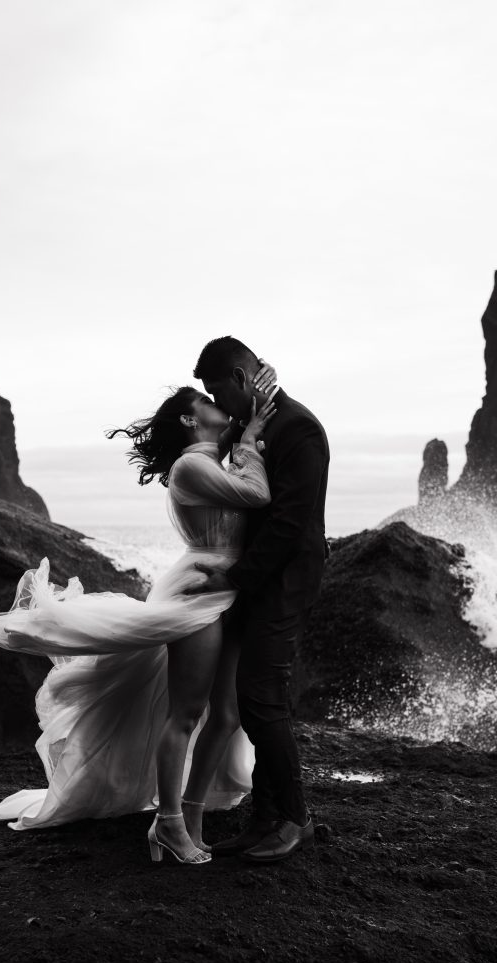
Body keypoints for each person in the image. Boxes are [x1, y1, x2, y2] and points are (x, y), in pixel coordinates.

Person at [0, 363, 277, 866]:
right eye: (206, 402)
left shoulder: (213, 457)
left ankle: (188, 815)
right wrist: (251, 441)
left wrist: (252, 411)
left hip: (227, 589)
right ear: (191, 423)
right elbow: (257, 494)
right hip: (198, 592)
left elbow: (246, 470)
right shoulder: (191, 466)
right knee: (187, 711)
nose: (217, 405)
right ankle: (169, 823)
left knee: (228, 713)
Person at [187, 336, 330, 864]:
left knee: (261, 695)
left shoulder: (299, 428)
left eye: (218, 389)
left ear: (242, 380)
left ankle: (296, 818)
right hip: (258, 579)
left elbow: (291, 522)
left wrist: (237, 579)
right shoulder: (258, 425)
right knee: (256, 699)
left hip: (286, 579)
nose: (216, 401)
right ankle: (265, 819)